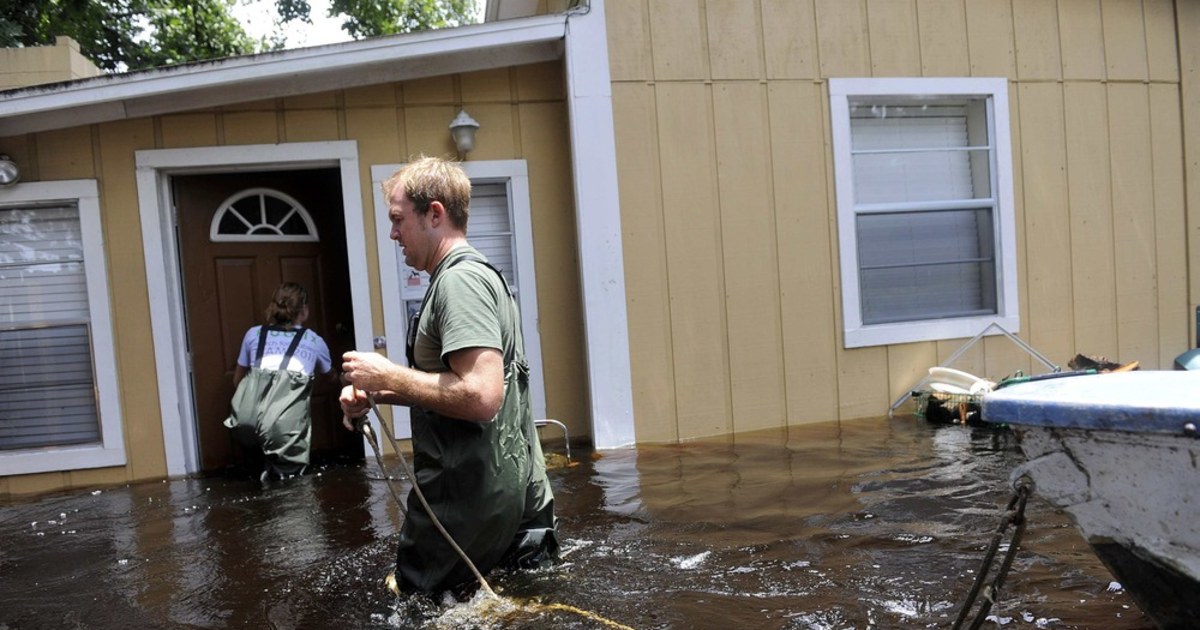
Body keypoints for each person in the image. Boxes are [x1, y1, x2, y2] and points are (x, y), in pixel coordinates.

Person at [339, 156, 559, 596]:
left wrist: (391, 375)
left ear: (434, 214)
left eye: (398, 219)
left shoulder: (460, 283)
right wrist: (379, 392)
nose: (393, 234)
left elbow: (481, 396)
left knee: (414, 604)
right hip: (507, 501)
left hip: (469, 508)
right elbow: (454, 384)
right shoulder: (470, 277)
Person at [226, 282, 334, 480]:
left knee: (255, 482)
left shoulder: (254, 334)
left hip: (244, 421)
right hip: (282, 427)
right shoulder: (313, 341)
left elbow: (237, 380)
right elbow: (330, 377)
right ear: (304, 310)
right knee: (293, 489)